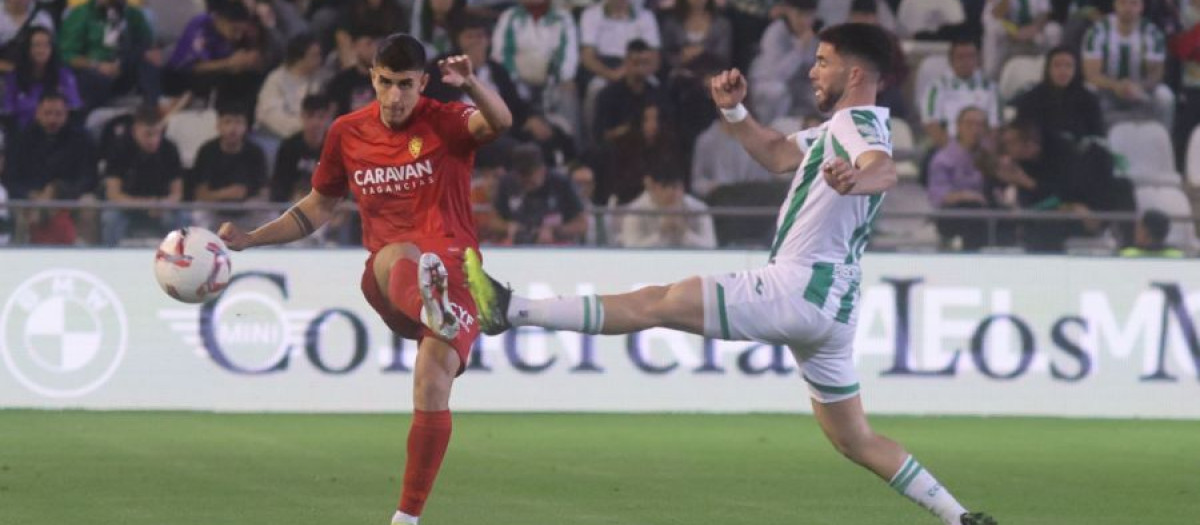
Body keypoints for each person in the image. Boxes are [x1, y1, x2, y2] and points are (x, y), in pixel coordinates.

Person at [465, 23, 997, 525]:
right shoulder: (841, 129)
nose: (813, 71)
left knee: (654, 302)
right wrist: (736, 111)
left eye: (822, 62)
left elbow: (882, 169)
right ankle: (960, 517)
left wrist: (854, 180)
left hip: (797, 286)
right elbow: (774, 154)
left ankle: (511, 310)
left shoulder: (857, 126)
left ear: (854, 74)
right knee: (854, 439)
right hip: (834, 305)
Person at [216, 33, 512, 525]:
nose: (395, 97)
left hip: (458, 273)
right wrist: (252, 238)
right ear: (371, 78)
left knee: (431, 385)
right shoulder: (346, 133)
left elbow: (499, 122)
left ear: (422, 83)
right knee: (401, 253)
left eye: (406, 86)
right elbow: (318, 207)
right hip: (392, 277)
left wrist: (473, 84)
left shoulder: (445, 120)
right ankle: (428, 305)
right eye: (386, 83)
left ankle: (405, 518)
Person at [1081, 0, 1174, 128]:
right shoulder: (1098, 32)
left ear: (1141, 7)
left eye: (1133, 3)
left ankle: (1161, 140)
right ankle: (1095, 140)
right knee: (1088, 90)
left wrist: (1139, 86)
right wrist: (1116, 86)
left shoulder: (1152, 33)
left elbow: (1156, 74)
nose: (1128, 8)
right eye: (1123, 3)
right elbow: (1091, 74)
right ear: (1115, 5)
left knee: (1164, 96)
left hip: (1140, 91)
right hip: (1107, 91)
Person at [100, 104, 183, 246]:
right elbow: (113, 194)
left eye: (157, 133)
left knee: (183, 219)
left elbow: (177, 193)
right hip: (127, 208)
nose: (153, 140)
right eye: (148, 134)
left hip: (160, 209)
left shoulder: (170, 149)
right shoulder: (119, 149)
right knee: (110, 218)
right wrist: (143, 205)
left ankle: (178, 261)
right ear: (135, 130)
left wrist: (164, 204)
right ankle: (110, 258)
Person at [58, 0, 161, 109]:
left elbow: (147, 43)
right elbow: (67, 55)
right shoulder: (81, 14)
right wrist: (98, 65)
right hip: (94, 71)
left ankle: (153, 108)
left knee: (147, 62)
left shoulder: (132, 14)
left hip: (123, 68)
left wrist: (148, 51)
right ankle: (91, 115)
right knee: (93, 78)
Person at [927, 106, 995, 251]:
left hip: (987, 212)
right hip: (954, 215)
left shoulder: (990, 158)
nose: (975, 129)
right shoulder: (943, 159)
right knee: (974, 213)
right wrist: (969, 196)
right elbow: (939, 196)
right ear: (958, 127)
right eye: (969, 124)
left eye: (980, 125)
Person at [492, 141, 586, 245]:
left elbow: (582, 224)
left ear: (542, 169)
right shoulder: (507, 183)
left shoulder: (561, 183)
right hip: (515, 245)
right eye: (521, 175)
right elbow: (493, 221)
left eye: (529, 174)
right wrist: (509, 227)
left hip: (555, 246)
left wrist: (555, 231)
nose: (525, 179)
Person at [1010, 46, 1105, 145]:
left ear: (1076, 69)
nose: (1063, 71)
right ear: (1048, 69)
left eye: (1068, 66)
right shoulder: (1031, 99)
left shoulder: (1089, 100)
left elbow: (1098, 138)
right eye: (1057, 65)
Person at [919, 39, 1002, 154]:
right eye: (961, 57)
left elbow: (995, 127)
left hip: (981, 149)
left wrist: (983, 152)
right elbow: (931, 124)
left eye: (971, 56)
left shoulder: (991, 88)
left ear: (978, 59)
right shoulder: (936, 87)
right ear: (951, 61)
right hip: (946, 146)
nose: (966, 61)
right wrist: (953, 151)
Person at [3, 26, 83, 129]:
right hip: (23, 133)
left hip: (58, 134)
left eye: (46, 45)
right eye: (36, 45)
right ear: (27, 48)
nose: (42, 50)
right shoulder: (14, 78)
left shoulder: (64, 75)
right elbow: (8, 113)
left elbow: (74, 109)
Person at [618, 167, 716, 248]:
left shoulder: (698, 209)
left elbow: (711, 246)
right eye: (665, 187)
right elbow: (630, 250)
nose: (673, 193)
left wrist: (684, 233)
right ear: (652, 187)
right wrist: (661, 233)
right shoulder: (635, 211)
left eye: (677, 187)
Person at [1119, 208, 1185, 257]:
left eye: (1139, 228)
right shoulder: (1177, 255)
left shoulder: (1127, 255)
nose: (1135, 231)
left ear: (1145, 232)